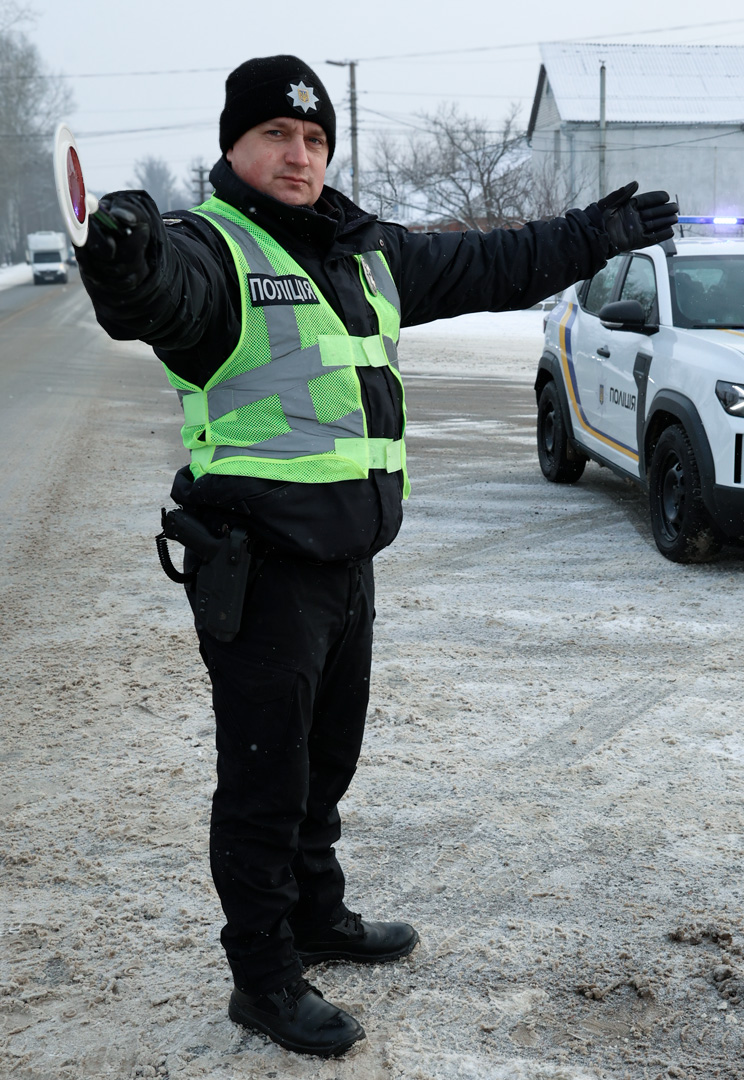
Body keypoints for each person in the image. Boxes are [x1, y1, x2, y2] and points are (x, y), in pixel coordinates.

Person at [75, 55, 678, 1058]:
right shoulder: (209, 247)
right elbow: (157, 298)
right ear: (234, 146)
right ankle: (263, 976)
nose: (299, 154)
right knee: (265, 783)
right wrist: (125, 259)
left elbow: (491, 261)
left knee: (326, 761)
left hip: (346, 561)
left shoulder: (364, 253)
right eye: (276, 135)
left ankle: (317, 913)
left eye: (314, 139)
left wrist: (593, 235)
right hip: (260, 568)